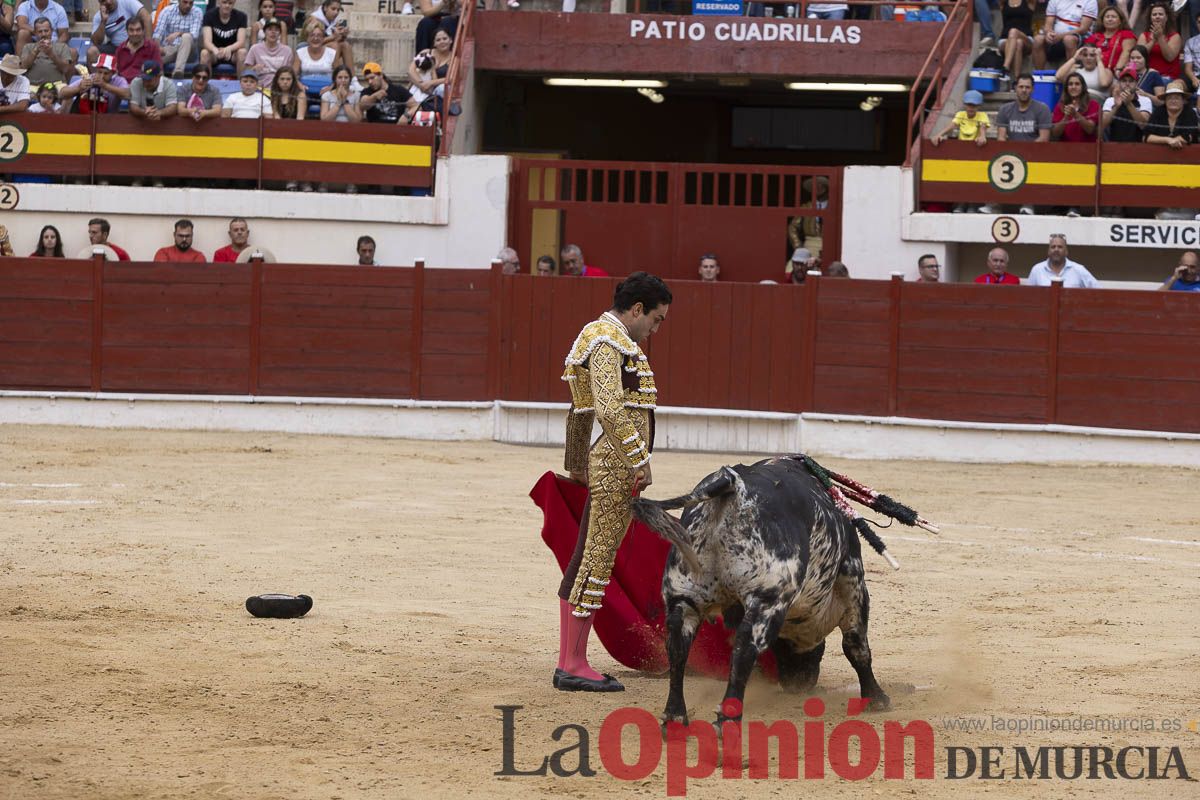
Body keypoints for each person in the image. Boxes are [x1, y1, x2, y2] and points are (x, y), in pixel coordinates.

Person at [554, 271, 671, 692]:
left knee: (591, 556)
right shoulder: (608, 339)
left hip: (608, 464)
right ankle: (573, 663)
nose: (656, 328)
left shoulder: (605, 337)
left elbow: (580, 409)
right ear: (637, 309)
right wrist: (639, 459)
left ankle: (572, 659)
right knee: (595, 561)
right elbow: (605, 406)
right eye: (656, 319)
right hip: (617, 465)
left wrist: (575, 463)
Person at [1033, 0, 1096, 70]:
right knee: (1038, 39)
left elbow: (1083, 29)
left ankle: (1071, 73)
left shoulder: (1090, 1)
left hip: (1080, 36)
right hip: (1057, 35)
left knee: (1068, 39)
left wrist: (1061, 36)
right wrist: (1048, 33)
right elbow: (1048, 25)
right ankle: (1039, 75)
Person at [59, 53, 128, 114]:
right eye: (99, 72)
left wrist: (105, 86)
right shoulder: (90, 78)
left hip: (109, 120)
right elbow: (62, 94)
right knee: (69, 98)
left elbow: (127, 94)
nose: (102, 76)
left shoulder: (119, 80)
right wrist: (78, 88)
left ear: (113, 73)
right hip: (86, 118)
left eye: (106, 73)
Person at [406, 26, 452, 117]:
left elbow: (451, 78)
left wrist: (431, 83)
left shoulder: (454, 58)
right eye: (438, 40)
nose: (442, 42)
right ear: (434, 43)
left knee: (443, 88)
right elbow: (411, 70)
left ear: (451, 40)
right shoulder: (426, 52)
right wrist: (421, 84)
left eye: (445, 38)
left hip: (436, 92)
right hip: (419, 86)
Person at [87, 0, 150, 65]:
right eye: (104, 0)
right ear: (100, 2)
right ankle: (96, 75)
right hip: (116, 48)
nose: (108, 2)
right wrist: (103, 21)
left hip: (136, 44)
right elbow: (96, 41)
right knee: (92, 52)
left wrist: (148, 44)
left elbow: (146, 17)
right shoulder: (98, 17)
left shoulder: (128, 2)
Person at [153, 0, 202, 79]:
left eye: (191, 3)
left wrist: (178, 33)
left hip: (189, 50)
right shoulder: (167, 11)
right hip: (170, 49)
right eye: (185, 2)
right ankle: (161, 82)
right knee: (154, 59)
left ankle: (178, 72)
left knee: (186, 36)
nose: (188, 6)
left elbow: (194, 35)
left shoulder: (197, 12)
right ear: (179, 1)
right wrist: (157, 49)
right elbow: (158, 34)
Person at [1103, 66, 1153, 143]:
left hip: (1138, 145)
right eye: (1124, 81)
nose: (1127, 84)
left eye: (1131, 81)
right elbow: (1103, 125)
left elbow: (1143, 125)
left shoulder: (1145, 100)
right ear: (1119, 83)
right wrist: (1116, 107)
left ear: (1136, 83)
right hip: (1114, 145)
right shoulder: (1110, 100)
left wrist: (1128, 103)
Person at [1027, 234, 1098, 287]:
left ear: (1066, 251)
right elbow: (1028, 295)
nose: (1056, 249)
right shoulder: (1037, 270)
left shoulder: (1079, 270)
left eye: (1060, 247)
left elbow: (1098, 290)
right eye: (1053, 247)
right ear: (1048, 251)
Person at [786, 175, 828, 265]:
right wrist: (799, 247)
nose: (818, 188)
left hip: (829, 247)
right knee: (790, 268)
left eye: (821, 185)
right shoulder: (806, 207)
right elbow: (792, 228)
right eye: (815, 186)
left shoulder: (833, 206)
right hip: (809, 246)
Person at [1144, 81, 1200, 147]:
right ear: (1165, 101)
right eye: (1169, 98)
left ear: (1183, 101)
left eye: (1177, 98)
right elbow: (1147, 137)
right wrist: (1167, 140)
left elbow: (1188, 137)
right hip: (1160, 153)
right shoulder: (1159, 111)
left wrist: (1173, 141)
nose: (1173, 101)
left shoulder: (1190, 112)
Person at [18, 15, 71, 84]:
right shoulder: (28, 47)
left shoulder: (63, 47)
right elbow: (23, 68)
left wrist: (51, 54)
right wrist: (35, 51)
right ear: (35, 33)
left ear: (51, 31)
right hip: (32, 86)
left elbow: (65, 69)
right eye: (40, 31)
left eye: (46, 31)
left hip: (56, 85)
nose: (43, 34)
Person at [1136, 2, 1182, 82]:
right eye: (1154, 14)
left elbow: (1169, 57)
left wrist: (1160, 37)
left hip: (1167, 77)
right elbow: (1139, 56)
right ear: (1150, 18)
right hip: (1145, 76)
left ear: (1167, 17)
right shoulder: (1143, 36)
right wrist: (1153, 40)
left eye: (1160, 14)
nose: (1157, 17)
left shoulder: (1175, 36)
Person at [1051, 72, 1100, 144]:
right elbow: (1055, 133)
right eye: (1070, 84)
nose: (1073, 87)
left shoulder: (1093, 105)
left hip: (1087, 149)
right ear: (1066, 88)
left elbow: (1090, 129)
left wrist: (1075, 114)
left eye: (1077, 84)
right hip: (1066, 149)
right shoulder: (1060, 106)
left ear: (1083, 87)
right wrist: (1066, 117)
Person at [308, 0, 354, 76]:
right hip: (312, 50)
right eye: (333, 9)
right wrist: (333, 37)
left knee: (345, 45)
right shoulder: (314, 19)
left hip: (325, 48)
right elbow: (311, 42)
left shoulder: (334, 21)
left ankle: (353, 79)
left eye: (338, 10)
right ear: (325, 8)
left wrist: (342, 35)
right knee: (334, 45)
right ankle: (337, 77)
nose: (336, 12)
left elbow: (336, 39)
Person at [201, 0, 247, 75]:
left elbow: (241, 42)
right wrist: (215, 50)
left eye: (230, 3)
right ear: (219, 2)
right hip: (215, 53)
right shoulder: (209, 15)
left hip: (232, 54)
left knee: (242, 52)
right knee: (204, 53)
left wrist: (228, 49)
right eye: (224, 2)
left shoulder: (241, 16)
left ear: (234, 3)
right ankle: (206, 84)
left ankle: (241, 84)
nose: (227, 5)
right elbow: (206, 42)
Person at [1086, 4, 1134, 74]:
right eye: (1107, 17)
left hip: (1118, 73)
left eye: (1113, 17)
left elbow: (1127, 52)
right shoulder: (1095, 36)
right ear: (1102, 21)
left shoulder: (1126, 34)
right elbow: (1085, 53)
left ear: (1120, 21)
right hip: (1095, 71)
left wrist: (1118, 69)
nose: (1110, 19)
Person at [245, 17, 289, 89]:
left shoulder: (287, 51)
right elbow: (247, 72)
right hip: (260, 87)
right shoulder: (255, 48)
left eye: (276, 30)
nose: (273, 32)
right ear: (264, 32)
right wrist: (254, 68)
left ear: (280, 33)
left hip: (280, 87)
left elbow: (289, 73)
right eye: (270, 29)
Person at [114, 16, 159, 82]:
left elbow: (157, 68)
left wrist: (145, 74)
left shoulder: (152, 47)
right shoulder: (120, 49)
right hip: (123, 85)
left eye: (138, 30)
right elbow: (116, 70)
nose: (135, 33)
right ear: (127, 31)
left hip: (144, 83)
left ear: (143, 31)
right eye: (131, 30)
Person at [294, 17, 338, 82]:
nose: (315, 38)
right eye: (312, 35)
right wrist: (300, 86)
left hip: (327, 89)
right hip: (305, 89)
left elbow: (339, 75)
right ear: (307, 38)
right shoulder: (300, 52)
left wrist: (330, 87)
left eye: (319, 35)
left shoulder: (332, 53)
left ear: (323, 38)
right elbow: (293, 76)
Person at [1001, 0, 1036, 79]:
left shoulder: (1029, 2)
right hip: (1005, 39)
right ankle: (1017, 79)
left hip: (1026, 38)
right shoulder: (1004, 2)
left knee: (1013, 32)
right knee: (1018, 43)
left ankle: (1006, 66)